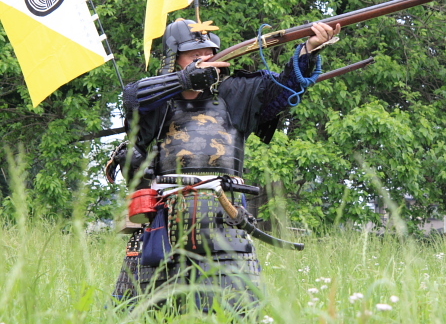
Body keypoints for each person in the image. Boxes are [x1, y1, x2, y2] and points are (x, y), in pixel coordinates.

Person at [108, 18, 340, 313]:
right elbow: (131, 96)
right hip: (163, 217)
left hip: (223, 214)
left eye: (208, 52)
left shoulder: (236, 92)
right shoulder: (154, 98)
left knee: (237, 311)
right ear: (174, 58)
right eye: (194, 54)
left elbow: (283, 88)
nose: (204, 58)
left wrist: (309, 49)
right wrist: (184, 82)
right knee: (143, 312)